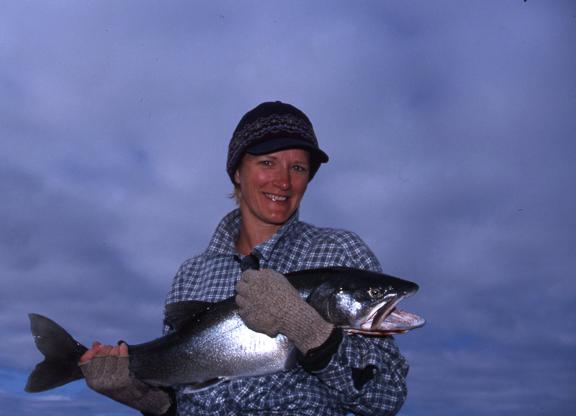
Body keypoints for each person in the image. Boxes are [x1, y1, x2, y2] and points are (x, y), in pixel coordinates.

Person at [78, 101, 409, 415]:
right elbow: (184, 397)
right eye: (267, 163)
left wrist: (311, 332)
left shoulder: (340, 252)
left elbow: (386, 397)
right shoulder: (192, 273)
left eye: (298, 167)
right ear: (237, 171)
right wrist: (146, 399)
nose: (283, 181)